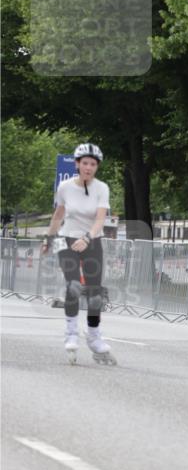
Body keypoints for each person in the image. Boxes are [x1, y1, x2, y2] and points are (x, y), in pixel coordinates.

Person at [41, 143, 115, 364]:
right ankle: (71, 333)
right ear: (77, 164)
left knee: (94, 294)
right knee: (73, 286)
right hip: (66, 239)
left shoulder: (102, 188)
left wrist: (88, 238)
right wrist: (48, 238)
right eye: (85, 163)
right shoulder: (64, 187)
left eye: (93, 164)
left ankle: (94, 336)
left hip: (91, 240)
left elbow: (100, 219)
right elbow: (58, 216)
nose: (89, 167)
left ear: (97, 167)